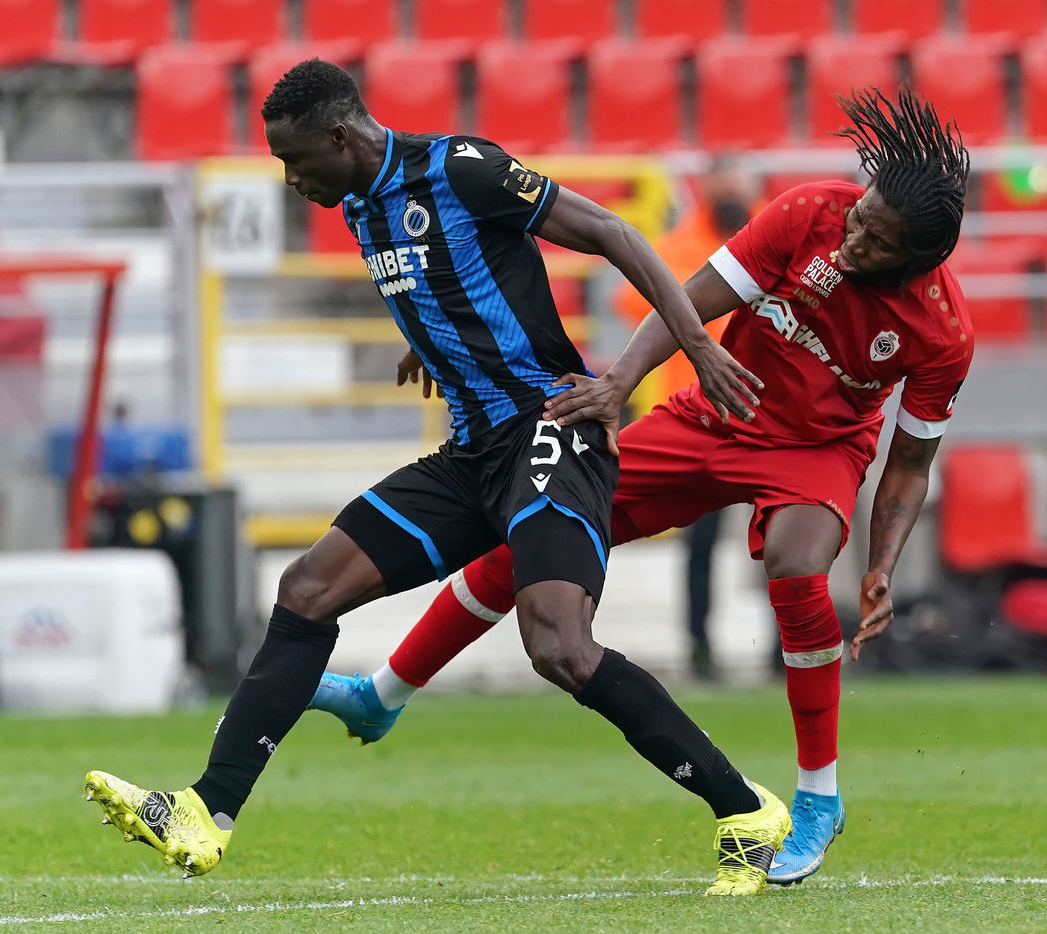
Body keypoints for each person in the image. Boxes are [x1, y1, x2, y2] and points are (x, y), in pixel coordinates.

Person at [84, 59, 791, 896]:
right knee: (307, 589)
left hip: (548, 428)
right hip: (472, 454)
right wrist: (435, 344)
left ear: (340, 136)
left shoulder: (459, 167)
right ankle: (206, 811)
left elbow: (614, 232)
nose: (291, 179)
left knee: (559, 647)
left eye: (295, 159)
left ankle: (746, 810)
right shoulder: (358, 203)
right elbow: (452, 280)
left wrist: (696, 347)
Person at [308, 86, 973, 887]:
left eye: (877, 240)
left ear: (918, 258)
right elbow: (686, 298)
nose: (855, 237)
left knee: (797, 567)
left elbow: (910, 463)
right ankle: (383, 694)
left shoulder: (943, 333)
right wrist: (617, 385)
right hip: (715, 412)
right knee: (535, 527)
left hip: (816, 448)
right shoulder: (809, 214)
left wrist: (882, 565)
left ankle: (818, 797)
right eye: (860, 217)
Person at [615, 154, 765, 680]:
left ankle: (782, 649)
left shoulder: (775, 236)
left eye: (737, 189)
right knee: (700, 543)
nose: (731, 199)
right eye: (723, 189)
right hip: (702, 419)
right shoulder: (678, 248)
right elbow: (632, 305)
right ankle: (700, 646)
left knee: (781, 538)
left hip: (768, 417)